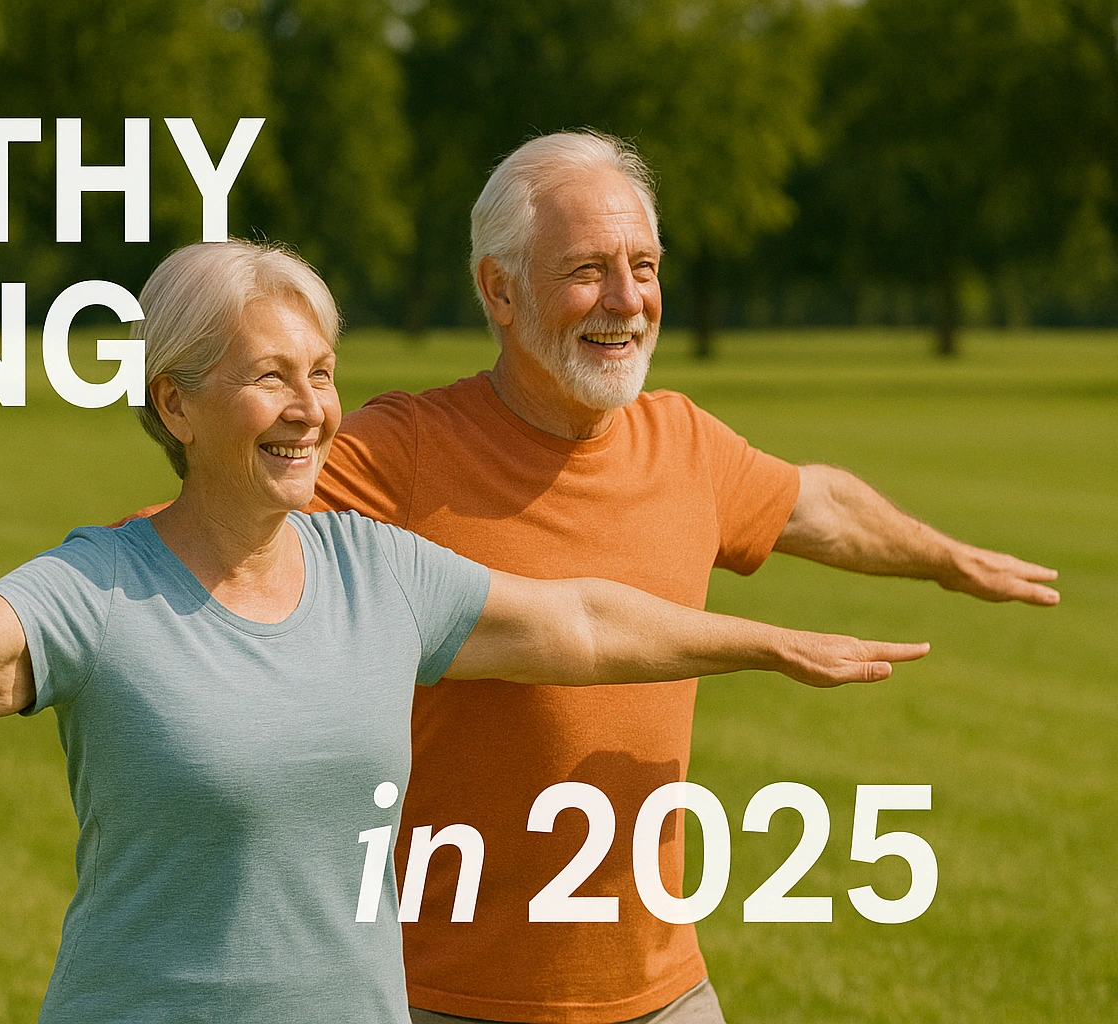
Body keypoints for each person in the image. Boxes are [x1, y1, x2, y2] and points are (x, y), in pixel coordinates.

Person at [0, 241, 930, 1023]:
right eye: (270, 377)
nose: (311, 408)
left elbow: (576, 621)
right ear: (176, 403)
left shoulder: (379, 575)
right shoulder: (102, 591)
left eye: (323, 373)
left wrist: (766, 642)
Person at [303, 132, 1061, 1024]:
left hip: (666, 993)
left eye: (645, 266)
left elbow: (814, 502)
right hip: (448, 995)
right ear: (499, 290)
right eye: (588, 270)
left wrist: (950, 560)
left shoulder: (683, 441)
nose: (628, 299)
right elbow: (229, 533)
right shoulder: (403, 452)